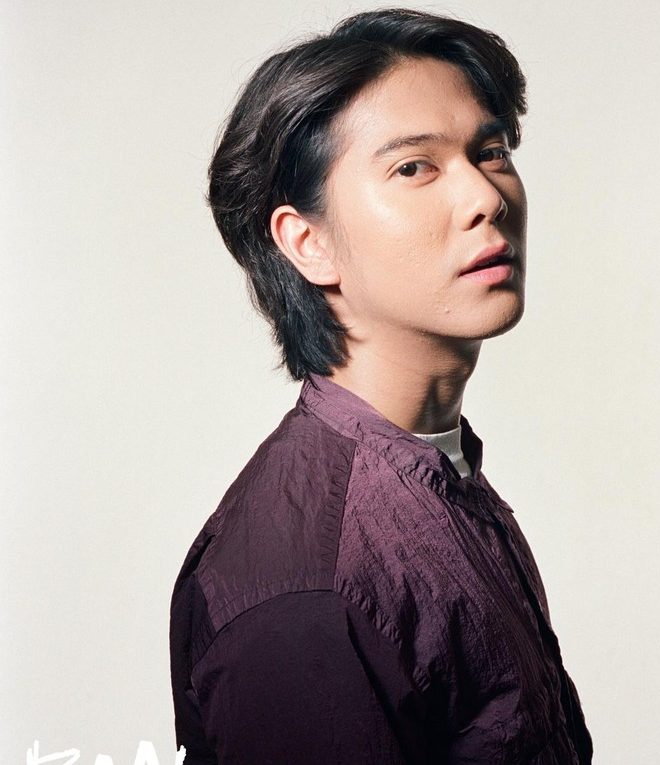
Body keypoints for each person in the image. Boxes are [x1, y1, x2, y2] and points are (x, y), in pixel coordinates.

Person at [169, 7, 594, 764]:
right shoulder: (309, 590)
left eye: (491, 152)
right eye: (414, 168)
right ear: (309, 242)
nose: (487, 197)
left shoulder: (439, 472)